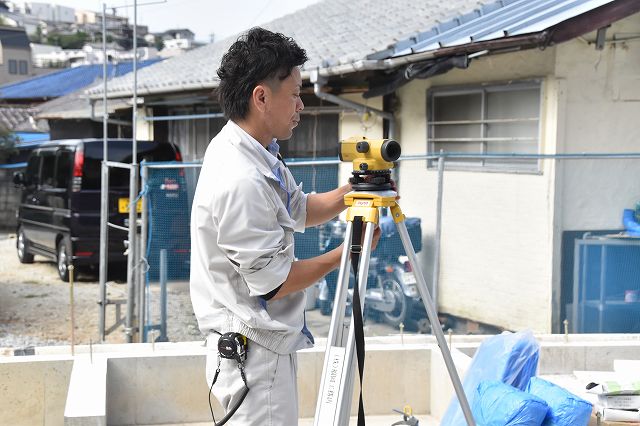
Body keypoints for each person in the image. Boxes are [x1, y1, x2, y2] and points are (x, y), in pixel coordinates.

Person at [190, 27, 381, 425]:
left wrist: (358, 188)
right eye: (294, 94)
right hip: (252, 355)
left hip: (261, 346)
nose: (301, 106)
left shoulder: (254, 151)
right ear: (261, 97)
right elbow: (274, 283)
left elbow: (300, 210)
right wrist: (348, 254)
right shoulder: (241, 177)